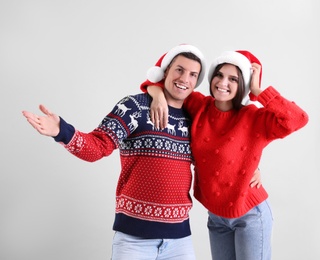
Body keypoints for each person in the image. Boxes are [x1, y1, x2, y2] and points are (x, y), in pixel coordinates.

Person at [22, 44, 207, 260]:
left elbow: (213, 161)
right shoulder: (135, 107)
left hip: (180, 240)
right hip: (134, 240)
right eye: (179, 69)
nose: (185, 78)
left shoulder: (194, 119)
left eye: (193, 74)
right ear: (165, 71)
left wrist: (251, 170)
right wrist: (61, 131)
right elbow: (98, 146)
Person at [142, 50, 309, 260]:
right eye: (219, 75)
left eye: (233, 79)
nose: (223, 82)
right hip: (216, 217)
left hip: (251, 215)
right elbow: (169, 82)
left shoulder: (254, 118)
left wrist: (257, 90)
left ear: (243, 85)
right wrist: (156, 94)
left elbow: (298, 119)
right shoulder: (199, 106)